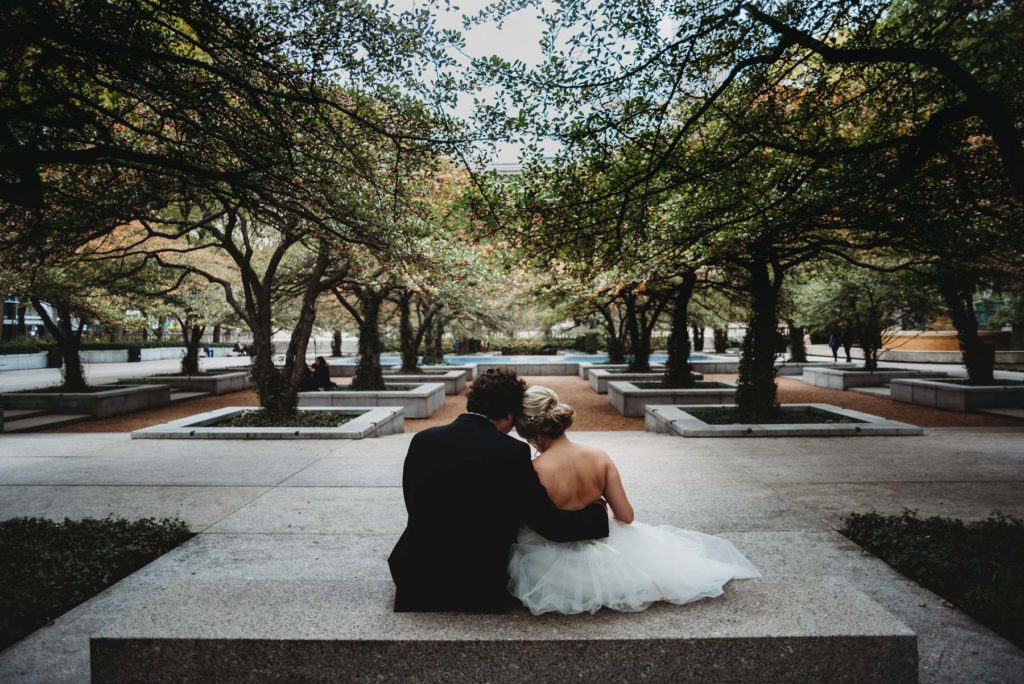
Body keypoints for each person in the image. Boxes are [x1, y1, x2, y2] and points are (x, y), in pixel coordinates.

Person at [508, 386, 761, 615]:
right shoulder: (599, 457)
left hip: (552, 567)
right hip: (605, 550)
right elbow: (626, 516)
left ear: (535, 433)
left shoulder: (535, 469)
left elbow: (531, 521)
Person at [388, 369, 608, 612]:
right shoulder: (512, 453)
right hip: (478, 586)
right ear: (508, 414)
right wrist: (596, 513)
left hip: (415, 579)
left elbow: (415, 505)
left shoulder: (423, 441)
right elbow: (549, 523)